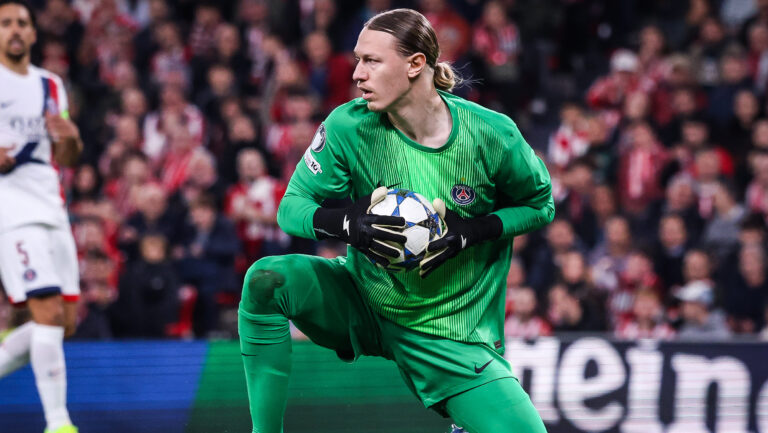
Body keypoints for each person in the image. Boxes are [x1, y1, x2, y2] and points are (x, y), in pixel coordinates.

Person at [238, 9, 553, 433]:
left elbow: (540, 204)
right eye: (357, 60)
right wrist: (349, 223)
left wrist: (470, 232)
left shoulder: (491, 133)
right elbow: (291, 208)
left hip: (449, 333)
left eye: (371, 61)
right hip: (362, 299)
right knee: (266, 279)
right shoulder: (349, 125)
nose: (357, 75)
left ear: (415, 64)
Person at [0, 1, 82, 432]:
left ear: (33, 34)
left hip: (51, 206)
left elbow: (65, 154)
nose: (15, 30)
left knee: (62, 325)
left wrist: (70, 138)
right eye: (6, 23)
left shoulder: (51, 85)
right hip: (9, 211)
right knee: (46, 313)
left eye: (22, 23)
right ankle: (59, 423)